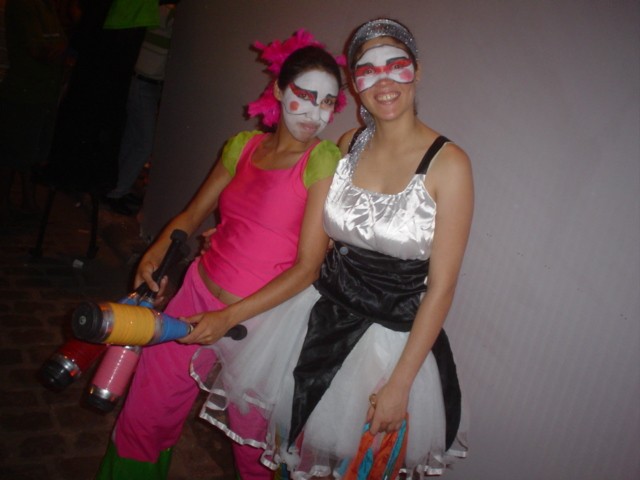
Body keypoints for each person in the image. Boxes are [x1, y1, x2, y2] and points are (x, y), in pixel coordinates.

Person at [192, 18, 474, 478]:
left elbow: (442, 288)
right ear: (355, 85)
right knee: (294, 457)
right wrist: (237, 232)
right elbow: (313, 224)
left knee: (356, 466)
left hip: (389, 344)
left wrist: (400, 383)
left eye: (396, 65)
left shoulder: (450, 164)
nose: (383, 80)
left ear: (417, 71)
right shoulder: (348, 144)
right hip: (316, 320)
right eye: (367, 70)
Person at [96, 31, 346, 480]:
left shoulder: (322, 159)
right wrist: (156, 249)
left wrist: (228, 316)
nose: (315, 114)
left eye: (328, 102)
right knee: (145, 414)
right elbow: (193, 214)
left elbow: (309, 266)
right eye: (305, 96)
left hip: (261, 325)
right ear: (278, 90)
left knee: (255, 450)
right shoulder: (242, 146)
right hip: (194, 297)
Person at [103, 1, 177, 216]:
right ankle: (116, 192)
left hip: (145, 81)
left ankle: (115, 188)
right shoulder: (168, 15)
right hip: (143, 81)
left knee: (133, 139)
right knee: (143, 143)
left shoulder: (162, 13)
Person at [0, 0, 67, 225]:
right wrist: (60, 48)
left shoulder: (47, 7)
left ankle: (27, 201)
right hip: (24, 90)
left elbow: (58, 44)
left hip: (42, 90)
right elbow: (39, 50)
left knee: (30, 152)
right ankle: (4, 205)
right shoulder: (23, 5)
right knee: (12, 152)